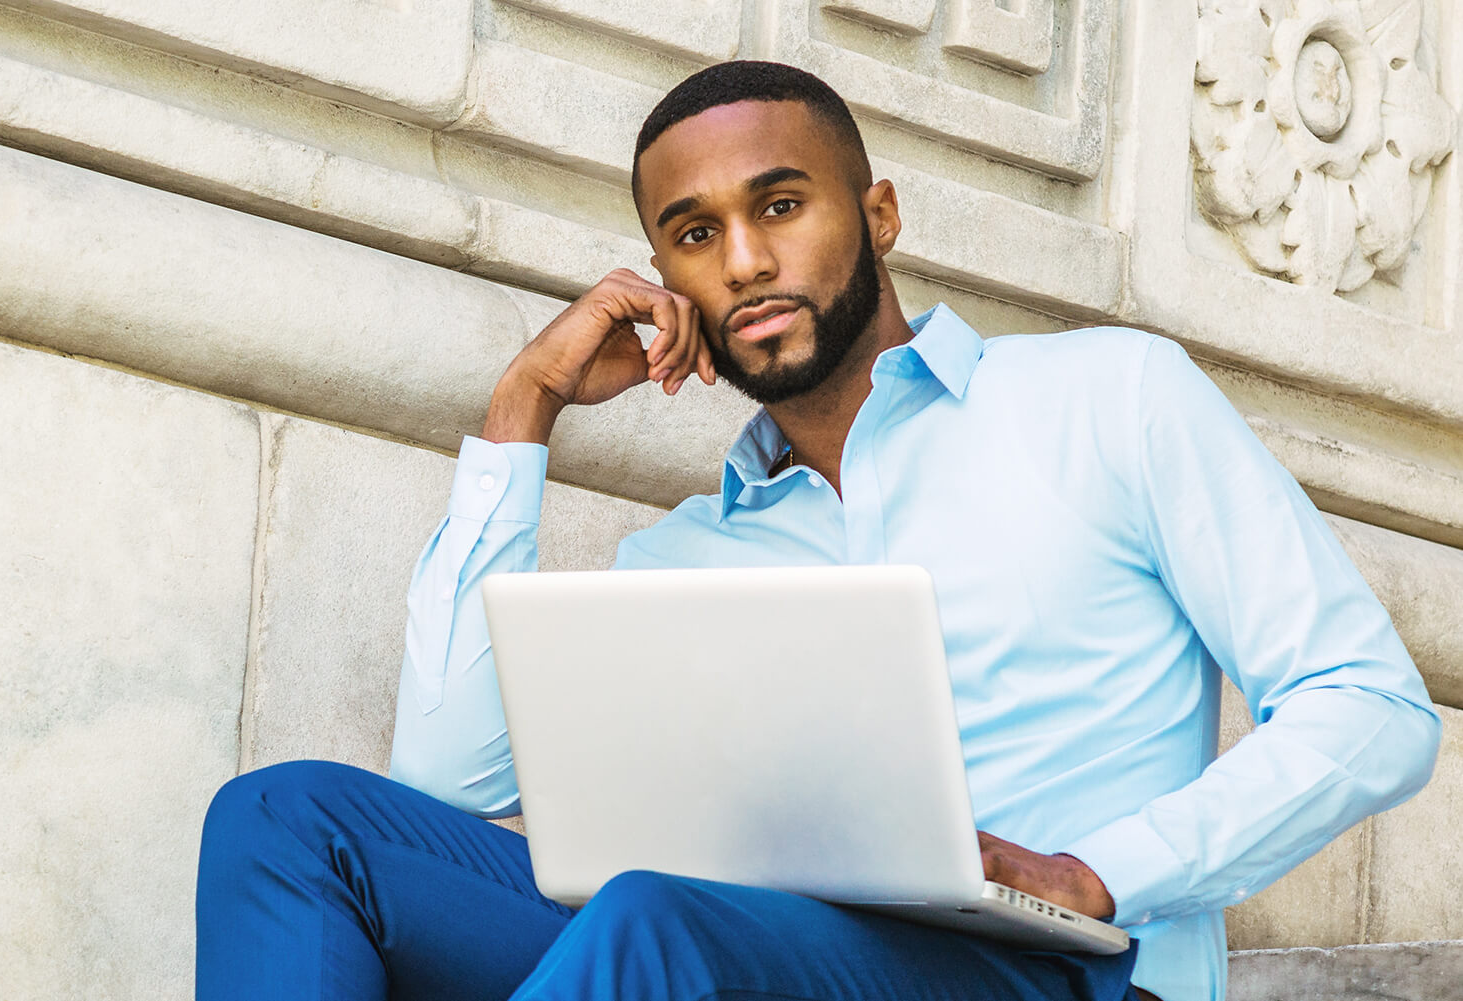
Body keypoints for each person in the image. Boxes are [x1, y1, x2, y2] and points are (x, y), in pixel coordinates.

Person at [195, 61, 1440, 1001]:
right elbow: (446, 787)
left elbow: (1368, 704)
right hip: (744, 951)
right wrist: (523, 411)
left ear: (880, 213)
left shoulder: (1109, 398)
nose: (742, 260)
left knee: (651, 920)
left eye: (779, 204)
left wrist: (1100, 870)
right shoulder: (678, 561)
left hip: (1067, 975)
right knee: (290, 822)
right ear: (664, 280)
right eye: (694, 235)